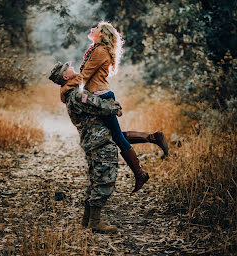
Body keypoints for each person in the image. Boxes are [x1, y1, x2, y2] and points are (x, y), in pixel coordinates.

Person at [60, 21, 169, 193]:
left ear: (102, 33)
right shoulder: (97, 49)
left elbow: (84, 76)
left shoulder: (100, 51)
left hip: (101, 96)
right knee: (112, 135)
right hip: (101, 95)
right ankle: (152, 138)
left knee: (116, 137)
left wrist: (65, 88)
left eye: (95, 28)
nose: (92, 28)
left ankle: (140, 173)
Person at [49, 61, 122, 233]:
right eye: (68, 68)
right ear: (66, 77)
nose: (72, 67)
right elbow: (98, 105)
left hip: (93, 142)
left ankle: (88, 219)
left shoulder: (71, 94)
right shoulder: (75, 95)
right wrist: (115, 107)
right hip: (99, 142)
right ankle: (95, 222)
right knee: (104, 179)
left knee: (96, 179)